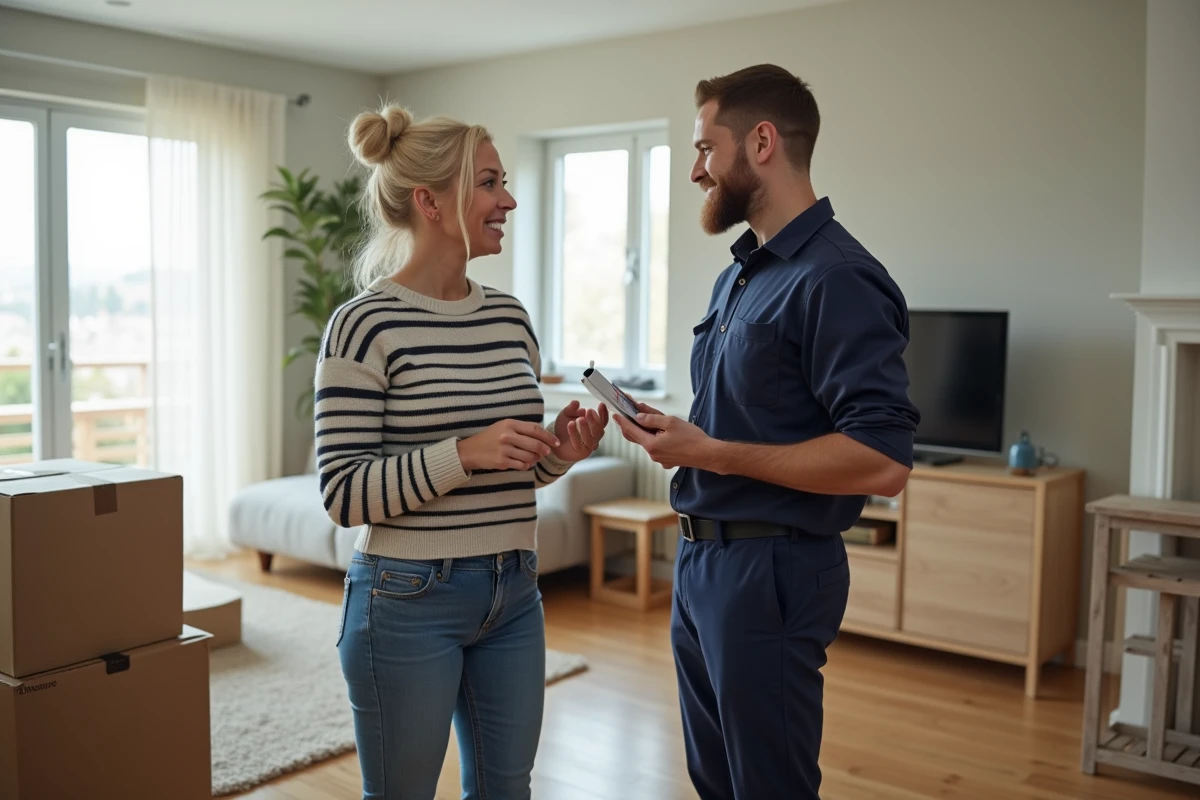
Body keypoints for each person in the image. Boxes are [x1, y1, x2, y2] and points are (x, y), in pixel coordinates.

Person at [614, 64, 920, 800]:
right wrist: (682, 438)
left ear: (760, 143)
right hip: (700, 566)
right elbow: (747, 415)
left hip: (771, 572)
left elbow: (882, 460)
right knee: (717, 782)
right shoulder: (742, 276)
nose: (694, 170)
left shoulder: (838, 277)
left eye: (703, 149)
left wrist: (710, 452)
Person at [316, 103, 609, 800]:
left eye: (503, 182)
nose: (508, 199)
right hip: (406, 599)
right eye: (489, 182)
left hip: (514, 591)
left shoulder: (510, 317)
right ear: (431, 201)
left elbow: (517, 469)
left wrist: (558, 453)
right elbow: (343, 493)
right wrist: (464, 453)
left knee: (507, 791)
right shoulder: (362, 325)